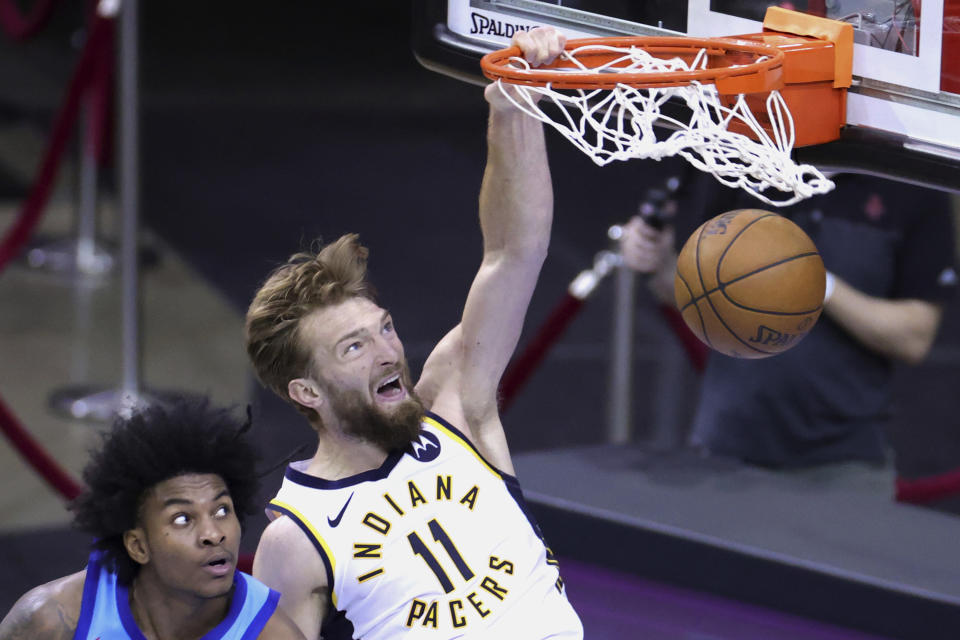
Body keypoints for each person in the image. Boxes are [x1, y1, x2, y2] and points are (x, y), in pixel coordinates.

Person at [244, 27, 583, 640]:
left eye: (385, 328)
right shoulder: (294, 538)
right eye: (354, 346)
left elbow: (515, 250)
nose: (387, 352)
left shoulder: (456, 406)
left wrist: (512, 103)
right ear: (306, 392)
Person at [620, 173, 958, 468]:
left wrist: (812, 280)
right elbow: (697, 295)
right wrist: (661, 264)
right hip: (722, 448)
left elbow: (915, 337)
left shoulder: (910, 186)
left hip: (842, 463)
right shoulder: (742, 160)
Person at [0, 397, 305, 640]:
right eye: (183, 518)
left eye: (221, 510)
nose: (214, 533)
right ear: (138, 545)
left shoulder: (270, 634)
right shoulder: (55, 619)